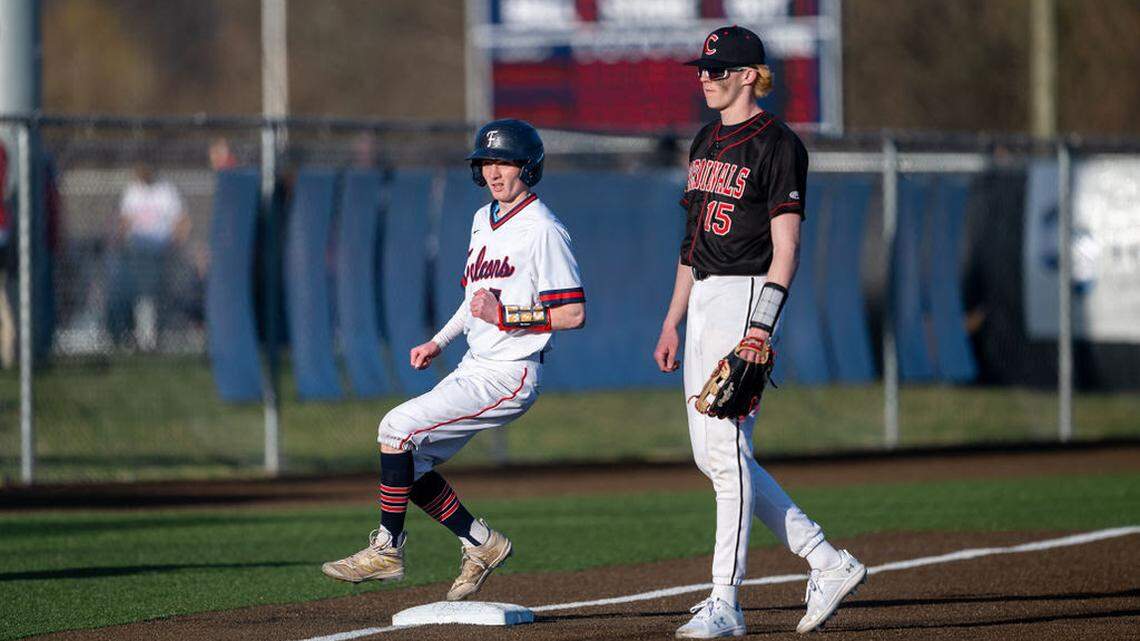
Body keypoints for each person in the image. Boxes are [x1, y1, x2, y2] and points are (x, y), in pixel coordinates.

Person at [653, 26, 865, 638]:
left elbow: (787, 247)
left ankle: (726, 600)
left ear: (750, 75)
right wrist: (672, 317)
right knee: (714, 456)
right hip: (703, 301)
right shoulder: (703, 139)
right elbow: (690, 247)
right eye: (702, 69)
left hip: (746, 293)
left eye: (718, 70)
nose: (705, 78)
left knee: (726, 454)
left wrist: (759, 329)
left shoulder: (778, 144)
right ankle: (827, 561)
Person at [322, 119, 586, 601]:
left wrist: (507, 313)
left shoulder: (544, 228)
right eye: (485, 162)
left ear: (528, 165)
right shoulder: (482, 218)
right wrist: (439, 342)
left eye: (503, 161)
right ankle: (480, 542)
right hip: (474, 364)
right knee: (408, 462)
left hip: (511, 373)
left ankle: (388, 547)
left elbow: (572, 313)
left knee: (394, 428)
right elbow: (473, 299)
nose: (493, 172)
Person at [107, 164, 189, 349]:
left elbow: (181, 221)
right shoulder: (133, 191)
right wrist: (117, 242)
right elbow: (124, 221)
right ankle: (141, 338)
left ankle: (151, 338)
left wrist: (176, 242)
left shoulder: (165, 191)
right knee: (142, 295)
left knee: (154, 295)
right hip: (137, 249)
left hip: (160, 250)